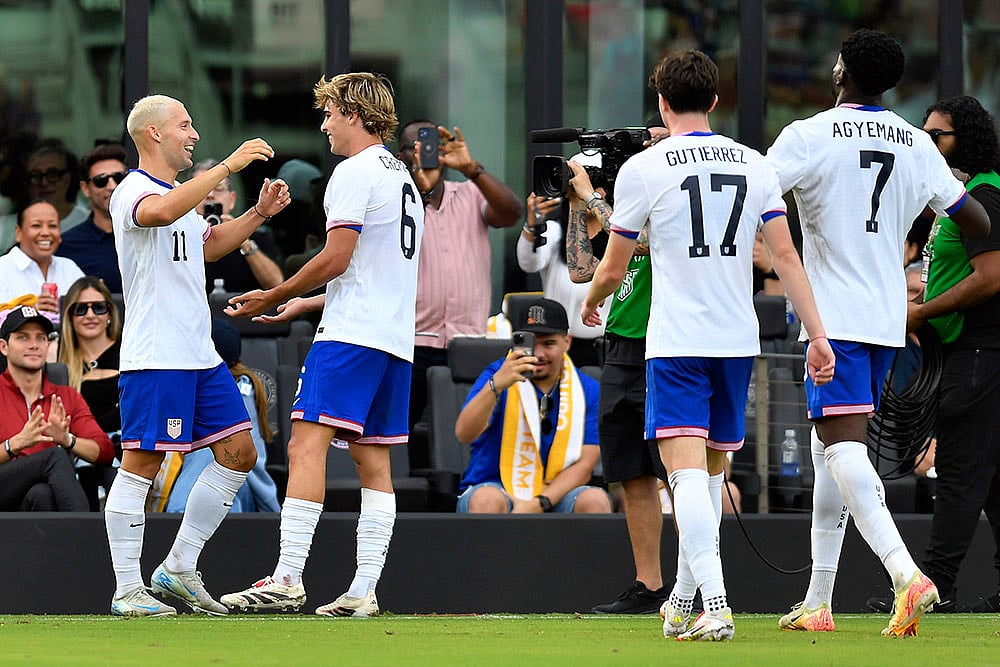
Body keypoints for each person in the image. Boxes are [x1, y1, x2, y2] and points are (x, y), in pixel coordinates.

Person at [582, 49, 835, 641]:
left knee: (685, 473)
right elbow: (786, 257)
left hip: (676, 339)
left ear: (662, 103)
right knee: (712, 468)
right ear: (716, 101)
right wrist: (817, 334)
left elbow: (615, 264)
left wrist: (594, 299)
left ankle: (715, 603)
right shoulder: (755, 164)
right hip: (735, 337)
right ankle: (685, 594)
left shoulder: (644, 167)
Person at [764, 30, 991, 636]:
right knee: (828, 455)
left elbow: (755, 192)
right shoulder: (917, 145)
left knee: (842, 450)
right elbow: (975, 216)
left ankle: (906, 574)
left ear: (841, 70)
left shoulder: (807, 135)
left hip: (829, 320)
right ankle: (817, 600)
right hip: (886, 319)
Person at [221, 72, 423, 618]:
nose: (325, 125)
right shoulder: (402, 175)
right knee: (372, 461)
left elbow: (337, 257)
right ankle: (364, 591)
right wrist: (309, 303)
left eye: (331, 114)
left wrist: (276, 293)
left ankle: (286, 578)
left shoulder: (353, 172)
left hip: (353, 335)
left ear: (354, 116)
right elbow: (375, 267)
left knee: (304, 446)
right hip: (392, 339)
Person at [103, 93, 288, 618]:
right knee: (143, 462)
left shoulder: (179, 195)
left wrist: (256, 213)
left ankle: (179, 566)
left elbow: (207, 245)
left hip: (199, 354)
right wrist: (228, 166)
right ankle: (126, 589)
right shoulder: (135, 190)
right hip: (156, 353)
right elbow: (159, 213)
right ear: (155, 133)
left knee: (239, 453)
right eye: (186, 125)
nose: (195, 135)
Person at [898, 95, 1000, 614]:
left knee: (958, 469)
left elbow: (992, 277)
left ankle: (935, 586)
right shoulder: (963, 196)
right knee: (993, 475)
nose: (927, 142)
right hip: (972, 348)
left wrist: (922, 312)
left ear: (969, 139)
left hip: (980, 349)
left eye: (937, 134)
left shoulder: (987, 197)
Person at [563, 141, 667, 613]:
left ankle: (699, 580)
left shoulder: (671, 197)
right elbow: (582, 269)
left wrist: (591, 199)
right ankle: (649, 585)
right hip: (621, 345)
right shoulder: (621, 208)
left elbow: (645, 239)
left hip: (663, 343)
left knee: (677, 470)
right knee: (632, 471)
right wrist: (574, 208)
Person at [397, 119, 523, 450]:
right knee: (401, 436)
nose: (427, 153)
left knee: (474, 438)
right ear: (402, 155)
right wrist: (420, 190)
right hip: (412, 342)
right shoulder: (398, 203)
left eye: (435, 146)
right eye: (418, 146)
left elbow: (511, 213)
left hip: (469, 343)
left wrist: (471, 169)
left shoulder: (469, 193)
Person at [454, 297, 610, 514]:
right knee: (486, 500)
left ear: (567, 342)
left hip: (555, 494)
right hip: (496, 487)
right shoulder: (496, 374)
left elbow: (584, 466)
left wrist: (538, 504)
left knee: (595, 500)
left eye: (549, 344)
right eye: (529, 343)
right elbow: (464, 433)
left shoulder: (588, 389)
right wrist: (496, 386)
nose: (538, 354)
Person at [0, 305, 114, 511]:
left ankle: (63, 541)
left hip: (34, 500)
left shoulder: (65, 396)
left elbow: (104, 451)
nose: (34, 345)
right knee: (54, 456)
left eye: (41, 338)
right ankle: (86, 536)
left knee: (42, 493)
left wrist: (67, 440)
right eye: (23, 337)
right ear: (3, 347)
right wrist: (14, 444)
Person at [165, 318, 281, 513]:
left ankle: (189, 523)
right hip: (173, 487)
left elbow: (251, 463)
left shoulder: (238, 392)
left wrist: (273, 516)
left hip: (234, 498)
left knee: (212, 451)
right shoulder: (175, 386)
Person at [518, 182, 609, 368]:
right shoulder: (554, 231)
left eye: (597, 185)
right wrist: (532, 227)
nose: (590, 193)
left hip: (611, 348)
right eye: (585, 184)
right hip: (562, 348)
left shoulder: (621, 236)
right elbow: (528, 262)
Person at [58, 276, 123, 509]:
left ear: (109, 313)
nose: (90, 315)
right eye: (80, 309)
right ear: (69, 317)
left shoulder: (130, 350)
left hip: (124, 448)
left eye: (98, 307)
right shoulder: (58, 357)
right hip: (74, 448)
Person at [191, 158, 284, 293]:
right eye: (203, 189)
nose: (210, 195)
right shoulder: (180, 238)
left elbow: (275, 283)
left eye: (219, 189)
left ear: (232, 199)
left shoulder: (257, 236)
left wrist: (242, 239)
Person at [55, 142, 128, 293]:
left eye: (119, 178)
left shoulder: (151, 234)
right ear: (85, 189)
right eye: (101, 180)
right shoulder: (67, 247)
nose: (112, 186)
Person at [0, 199, 84, 324]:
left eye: (52, 226)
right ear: (18, 233)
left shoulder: (69, 268)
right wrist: (30, 312)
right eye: (36, 225)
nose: (46, 233)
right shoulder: (3, 268)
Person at [0, 140, 88, 249]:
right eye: (35, 176)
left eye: (53, 174)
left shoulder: (87, 221)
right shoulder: (5, 228)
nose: (44, 182)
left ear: (70, 177)